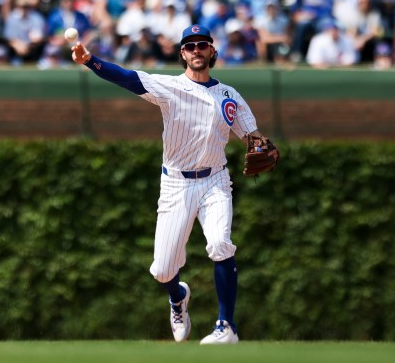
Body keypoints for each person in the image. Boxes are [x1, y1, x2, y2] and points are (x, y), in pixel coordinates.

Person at [70, 24, 279, 344]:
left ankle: (227, 327)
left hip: (216, 181)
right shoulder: (168, 86)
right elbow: (125, 77)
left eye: (202, 44)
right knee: (163, 270)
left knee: (221, 244)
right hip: (176, 185)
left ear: (212, 50)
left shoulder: (229, 95)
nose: (196, 50)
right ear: (182, 53)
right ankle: (178, 295)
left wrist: (264, 144)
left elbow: (252, 137)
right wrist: (90, 61)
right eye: (190, 46)